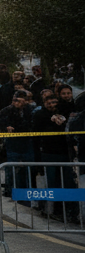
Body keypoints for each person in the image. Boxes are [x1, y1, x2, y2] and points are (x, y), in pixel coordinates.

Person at [33, 90, 76, 223]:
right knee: (53, 184)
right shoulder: (40, 115)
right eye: (49, 102)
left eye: (54, 102)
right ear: (44, 103)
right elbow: (35, 135)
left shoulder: (64, 112)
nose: (52, 105)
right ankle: (53, 211)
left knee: (68, 183)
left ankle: (70, 212)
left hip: (64, 153)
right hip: (48, 154)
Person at [0, 90, 35, 202]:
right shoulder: (7, 110)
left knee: (27, 169)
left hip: (27, 143)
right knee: (11, 168)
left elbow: (31, 124)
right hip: (12, 144)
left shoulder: (30, 110)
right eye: (15, 100)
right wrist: (6, 127)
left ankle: (26, 191)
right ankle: (10, 190)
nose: (17, 103)